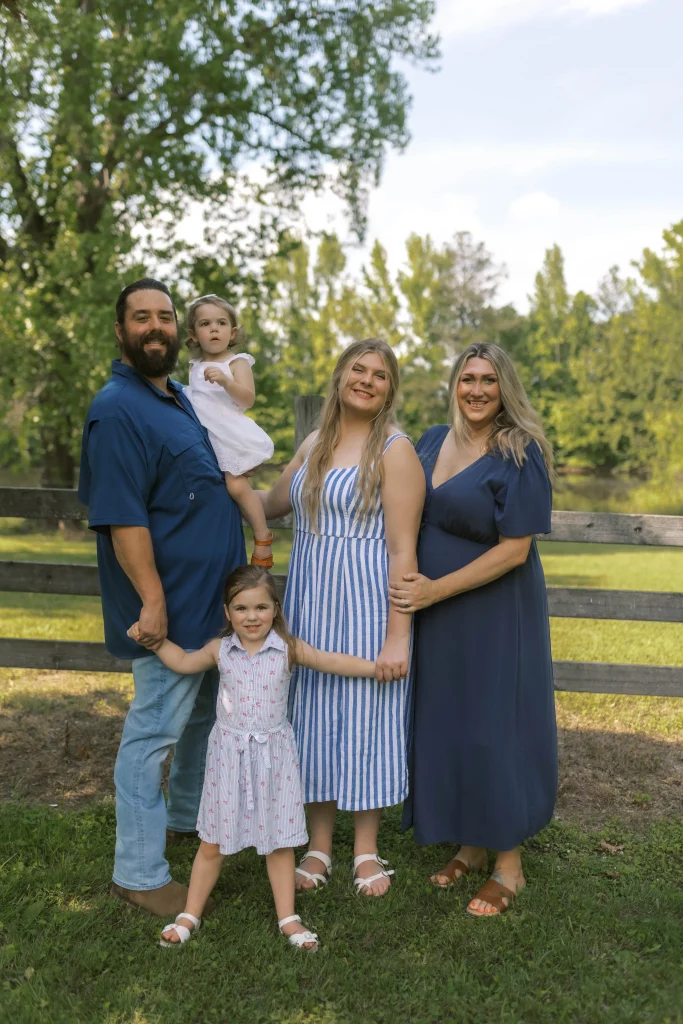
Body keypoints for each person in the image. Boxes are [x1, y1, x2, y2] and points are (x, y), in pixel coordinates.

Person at [78, 278, 246, 919]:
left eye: (166, 317)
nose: (157, 327)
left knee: (202, 722)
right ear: (120, 332)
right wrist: (151, 600)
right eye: (141, 318)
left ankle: (181, 821)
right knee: (152, 734)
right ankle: (139, 873)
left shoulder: (178, 398)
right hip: (168, 611)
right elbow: (123, 517)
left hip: (213, 605)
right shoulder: (117, 409)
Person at [127, 565, 380, 950]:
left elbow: (330, 661)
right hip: (228, 758)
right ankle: (189, 914)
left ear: (275, 609)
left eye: (261, 607)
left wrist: (376, 668)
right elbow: (181, 662)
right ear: (227, 613)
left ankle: (288, 918)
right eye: (241, 608)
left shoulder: (287, 648)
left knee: (279, 843)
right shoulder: (220, 650)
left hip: (273, 759)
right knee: (212, 842)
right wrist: (154, 643)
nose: (252, 617)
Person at [392, 342, 557, 917]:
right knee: (449, 719)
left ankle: (509, 864)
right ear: (455, 384)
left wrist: (435, 588)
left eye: (489, 380)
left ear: (504, 386)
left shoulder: (519, 451)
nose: (478, 390)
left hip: (494, 609)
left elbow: (515, 550)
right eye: (468, 379)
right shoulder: (433, 440)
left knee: (493, 724)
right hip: (438, 613)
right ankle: (470, 844)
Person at [259, 339, 425, 896]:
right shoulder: (315, 442)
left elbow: (404, 552)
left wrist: (398, 637)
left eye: (380, 375)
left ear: (389, 391)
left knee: (364, 718)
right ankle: (319, 846)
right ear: (339, 377)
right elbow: (272, 503)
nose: (367, 380)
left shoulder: (396, 452)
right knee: (312, 720)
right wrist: (218, 482)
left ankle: (367, 850)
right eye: (358, 369)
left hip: (365, 607)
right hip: (309, 605)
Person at [183, 294, 275, 567]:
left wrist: (225, 381)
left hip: (228, 433)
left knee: (236, 485)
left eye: (221, 323)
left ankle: (262, 537)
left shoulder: (237, 362)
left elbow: (247, 398)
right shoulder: (195, 367)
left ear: (232, 332)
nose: (214, 329)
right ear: (193, 334)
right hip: (204, 438)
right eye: (205, 323)